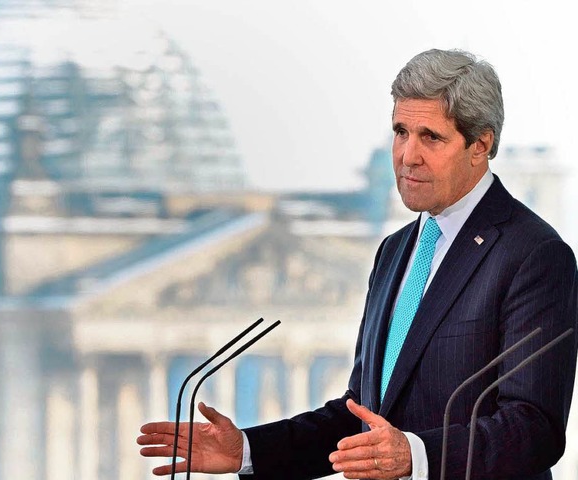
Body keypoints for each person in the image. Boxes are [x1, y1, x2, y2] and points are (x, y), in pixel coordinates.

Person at [137, 48, 578, 479]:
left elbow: (533, 429)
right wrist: (249, 450)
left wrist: (416, 457)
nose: (407, 156)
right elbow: (360, 416)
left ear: (480, 145)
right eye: (401, 131)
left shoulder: (533, 255)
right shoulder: (396, 250)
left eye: (431, 137)